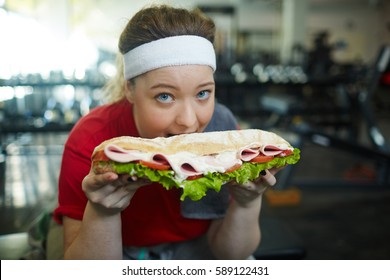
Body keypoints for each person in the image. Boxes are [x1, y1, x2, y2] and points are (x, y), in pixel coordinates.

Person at [52, 4, 279, 260]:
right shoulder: (92, 139)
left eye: (203, 93)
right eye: (164, 96)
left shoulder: (223, 128)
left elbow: (231, 256)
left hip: (197, 246)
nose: (189, 121)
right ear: (130, 89)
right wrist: (102, 212)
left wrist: (247, 203)